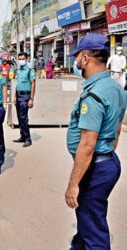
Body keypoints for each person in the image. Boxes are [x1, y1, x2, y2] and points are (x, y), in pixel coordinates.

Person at [66, 33, 127, 249]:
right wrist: (106, 154)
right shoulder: (115, 88)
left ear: (85, 58)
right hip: (107, 162)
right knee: (88, 219)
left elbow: (87, 144)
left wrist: (73, 185)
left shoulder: (94, 95)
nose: (76, 62)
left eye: (77, 57)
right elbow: (117, 129)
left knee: (93, 228)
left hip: (95, 167)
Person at [13, 52, 36, 147]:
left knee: (23, 118)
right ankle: (22, 136)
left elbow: (33, 84)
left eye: (23, 59)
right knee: (19, 117)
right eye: (20, 59)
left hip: (26, 96)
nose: (21, 60)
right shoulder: (18, 70)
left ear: (26, 59)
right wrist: (14, 96)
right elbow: (17, 84)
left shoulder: (30, 70)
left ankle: (28, 139)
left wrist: (31, 99)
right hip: (18, 95)